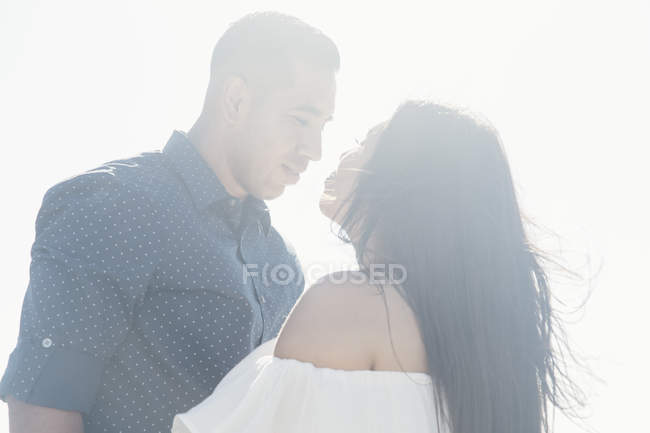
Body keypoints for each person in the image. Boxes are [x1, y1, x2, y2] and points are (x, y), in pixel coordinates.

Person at [0, 12, 338, 433]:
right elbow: (42, 407)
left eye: (323, 125)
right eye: (300, 119)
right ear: (235, 100)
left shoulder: (280, 259)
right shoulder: (115, 206)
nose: (315, 148)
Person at [172, 101, 584, 433]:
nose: (340, 153)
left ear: (407, 180)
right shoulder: (481, 349)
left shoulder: (349, 304)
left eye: (364, 142)